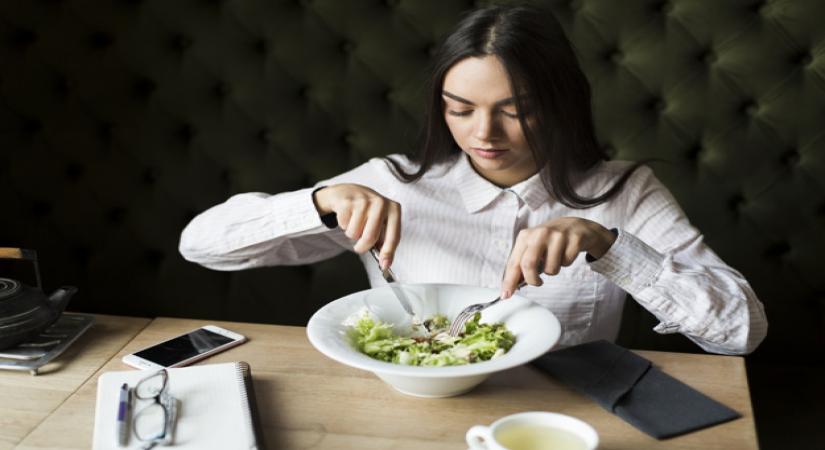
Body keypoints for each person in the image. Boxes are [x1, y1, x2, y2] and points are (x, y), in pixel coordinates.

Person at [179, 5, 767, 355]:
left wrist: (611, 249)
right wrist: (320, 201)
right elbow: (201, 245)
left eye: (516, 110)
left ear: (560, 104)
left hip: (569, 418)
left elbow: (742, 332)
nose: (485, 133)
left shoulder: (624, 191)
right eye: (460, 109)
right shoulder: (393, 182)